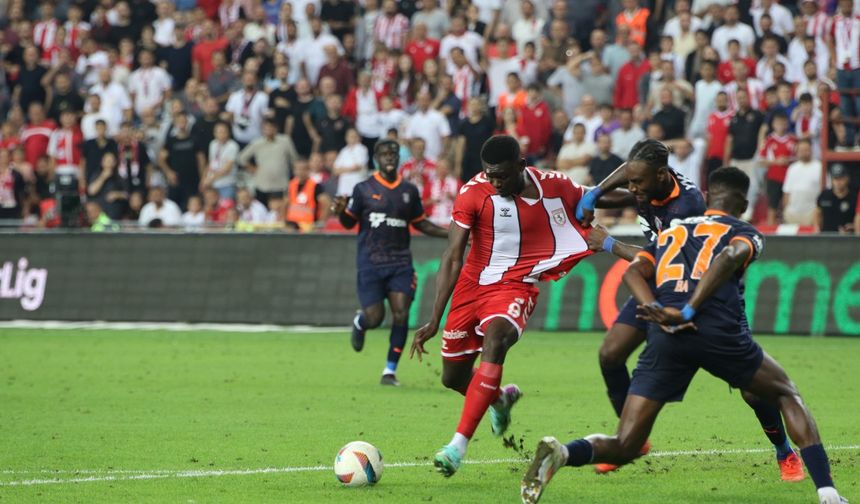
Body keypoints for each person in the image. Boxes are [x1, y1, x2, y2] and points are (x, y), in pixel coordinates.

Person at [522, 167, 847, 504]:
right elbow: (729, 256)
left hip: (666, 334)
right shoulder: (745, 231)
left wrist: (655, 309)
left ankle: (562, 453)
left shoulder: (674, 231)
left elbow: (634, 271)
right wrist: (689, 309)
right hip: (716, 331)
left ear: (708, 198)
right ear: (744, 204)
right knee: (785, 393)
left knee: (626, 443)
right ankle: (827, 493)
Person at [575, 139, 799, 477]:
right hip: (660, 285)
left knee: (753, 392)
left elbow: (663, 258)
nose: (633, 188)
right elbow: (630, 172)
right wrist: (596, 192)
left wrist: (608, 243)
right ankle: (629, 441)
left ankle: (784, 450)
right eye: (630, 182)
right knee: (610, 353)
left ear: (662, 175)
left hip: (703, 292)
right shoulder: (653, 179)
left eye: (638, 183)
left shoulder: (687, 207)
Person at [409, 135, 593, 477]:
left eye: (502, 177)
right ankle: (498, 399)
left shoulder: (553, 184)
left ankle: (456, 447)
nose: (495, 183)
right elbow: (452, 255)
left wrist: (651, 197)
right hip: (472, 285)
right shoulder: (473, 193)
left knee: (497, 341)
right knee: (453, 378)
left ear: (521, 167)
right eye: (490, 175)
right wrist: (434, 318)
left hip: (515, 285)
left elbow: (598, 196)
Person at [331, 139, 448, 386]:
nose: (389, 157)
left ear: (398, 158)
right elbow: (349, 223)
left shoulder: (409, 191)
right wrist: (341, 211)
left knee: (401, 313)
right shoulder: (363, 189)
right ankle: (360, 322)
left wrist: (453, 234)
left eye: (393, 153)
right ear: (376, 158)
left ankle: (389, 370)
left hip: (400, 262)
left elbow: (421, 223)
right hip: (370, 262)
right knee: (375, 317)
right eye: (384, 153)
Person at [816, 164, 856, 233]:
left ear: (847, 179)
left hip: (847, 237)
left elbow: (858, 217)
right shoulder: (825, 195)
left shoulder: (853, 197)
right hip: (826, 235)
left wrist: (854, 226)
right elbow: (817, 213)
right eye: (835, 178)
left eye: (841, 178)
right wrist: (816, 227)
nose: (838, 182)